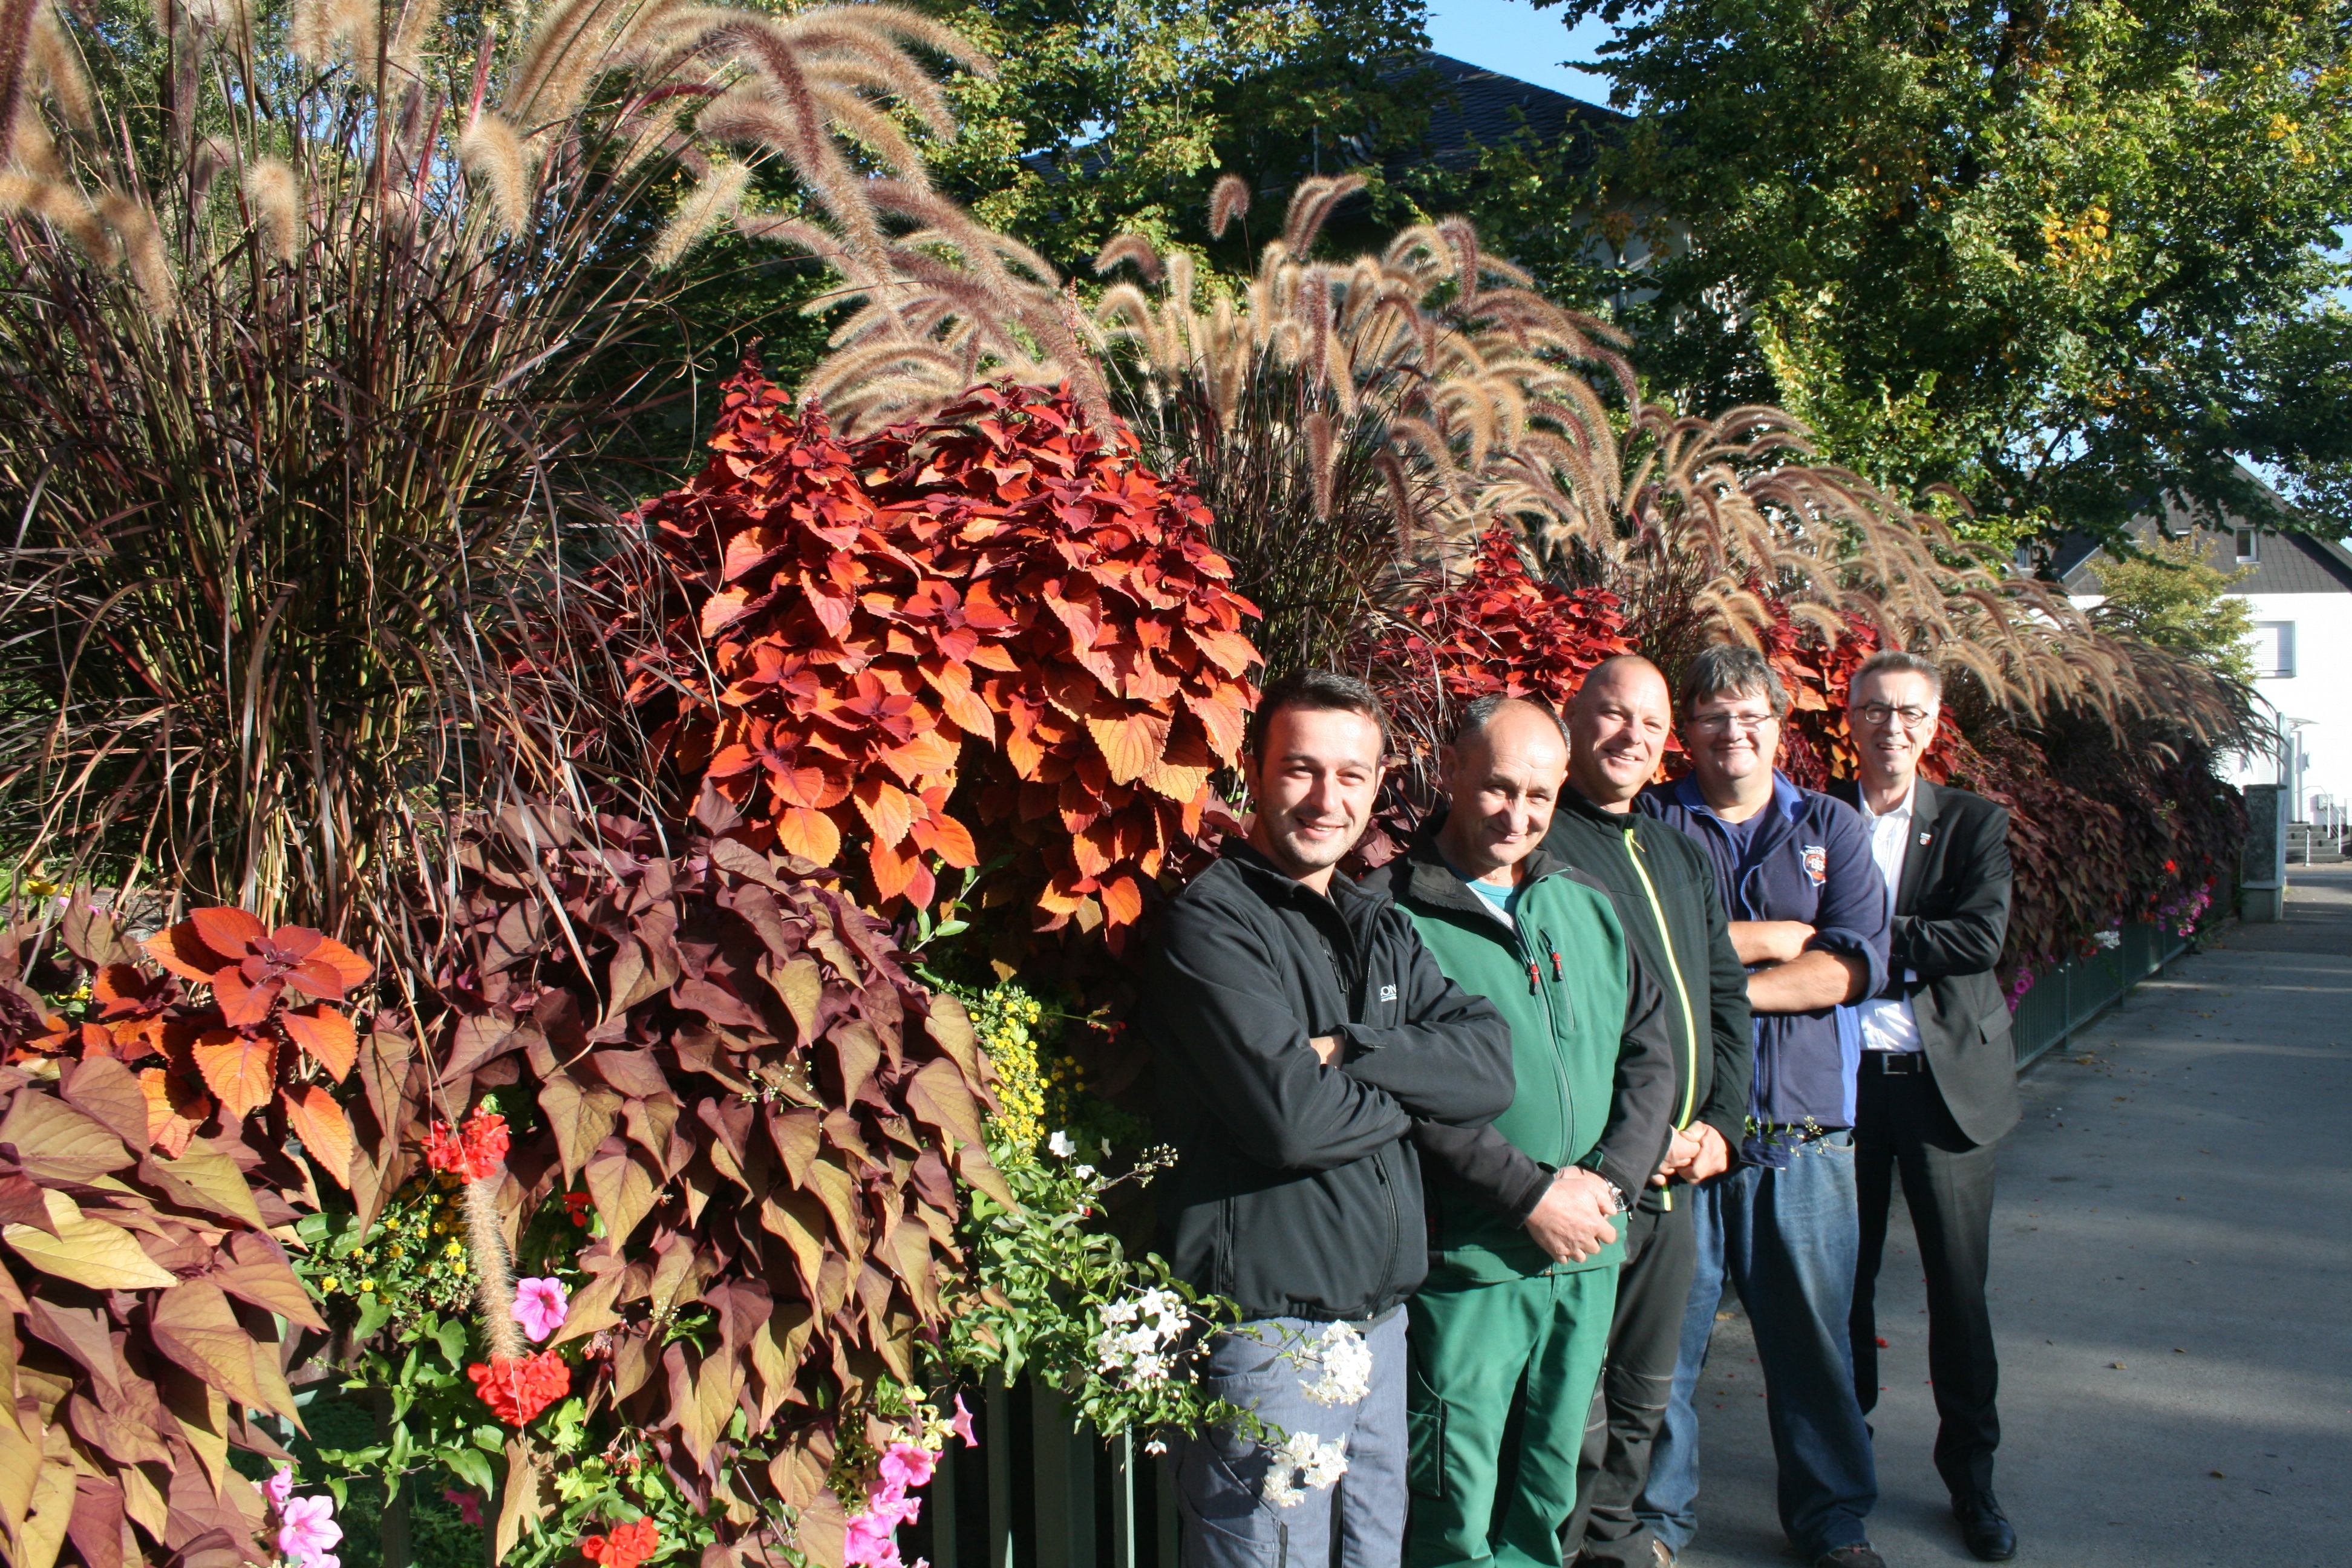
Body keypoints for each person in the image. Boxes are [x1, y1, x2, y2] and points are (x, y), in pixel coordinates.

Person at [1142, 668, 1517, 1568]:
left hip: (1378, 1332)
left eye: (1351, 775)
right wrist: (1419, 1090)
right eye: (1300, 769)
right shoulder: (1213, 925)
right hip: (1271, 1342)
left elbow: (1491, 1063)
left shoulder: (1372, 920)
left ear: (1379, 781)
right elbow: (1291, 1124)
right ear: (1253, 771)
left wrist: (1349, 1050)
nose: (1326, 798)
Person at [1370, 694, 1677, 1568]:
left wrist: (1607, 1184)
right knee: (1454, 1508)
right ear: (1451, 772)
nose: (1519, 815)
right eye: (1499, 788)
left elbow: (1651, 1059)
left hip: (1586, 1251)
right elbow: (1403, 1086)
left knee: (1551, 1492)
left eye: (1540, 796)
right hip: (1474, 1264)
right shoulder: (1391, 914)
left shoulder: (1584, 901)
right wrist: (1530, 1192)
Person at [1636, 643, 1892, 1568]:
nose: (1732, 731)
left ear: (1781, 726)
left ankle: (1833, 1524)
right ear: (1686, 732)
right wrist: (1776, 940)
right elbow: (1637, 952)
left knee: (1814, 1348)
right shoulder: (1652, 823)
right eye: (1711, 715)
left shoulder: (1833, 826)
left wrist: (1710, 975)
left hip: (1805, 1134)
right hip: (1684, 1131)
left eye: (1752, 715)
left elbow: (1849, 967)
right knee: (1665, 1348)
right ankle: (1655, 1528)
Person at [1544, 656, 1755, 1568]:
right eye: (1610, 714)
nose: (1632, 736)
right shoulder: (1540, 841)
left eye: (1651, 720)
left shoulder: (1677, 849)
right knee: (1573, 1394)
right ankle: (1563, 1544)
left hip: (1686, 1175)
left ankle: (1620, 1543)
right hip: (1597, 1177)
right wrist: (1631, 1145)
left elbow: (1724, 996)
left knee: (1646, 1390)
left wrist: (1721, 1126)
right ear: (1570, 718)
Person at [1829, 650, 2019, 1563]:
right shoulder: (1814, 817)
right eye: (1874, 710)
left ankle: (1971, 1483)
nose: (1891, 727)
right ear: (1849, 717)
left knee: (1958, 1292)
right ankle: (1842, 1468)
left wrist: (1858, 940)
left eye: (1909, 712)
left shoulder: (1976, 823)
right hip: (1841, 1088)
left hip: (1946, 1094)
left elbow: (1978, 939)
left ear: (1933, 723)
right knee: (1843, 1287)